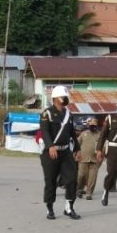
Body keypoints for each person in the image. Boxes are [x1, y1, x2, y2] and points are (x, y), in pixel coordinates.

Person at [39, 85, 81, 220]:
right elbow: (44, 131)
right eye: (63, 96)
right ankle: (49, 208)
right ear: (55, 99)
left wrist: (77, 148)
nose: (65, 98)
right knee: (50, 181)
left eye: (66, 96)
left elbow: (72, 133)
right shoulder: (47, 113)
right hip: (50, 152)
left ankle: (69, 208)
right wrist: (50, 146)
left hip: (65, 152)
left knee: (72, 179)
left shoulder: (69, 114)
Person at [76, 118, 102, 200]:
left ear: (97, 125)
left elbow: (103, 146)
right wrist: (76, 153)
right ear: (88, 125)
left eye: (94, 124)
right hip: (83, 158)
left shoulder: (100, 134)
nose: (93, 126)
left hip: (95, 160)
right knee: (81, 175)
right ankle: (79, 189)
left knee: (92, 177)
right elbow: (77, 144)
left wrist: (101, 155)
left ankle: (89, 193)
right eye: (91, 124)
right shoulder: (84, 134)